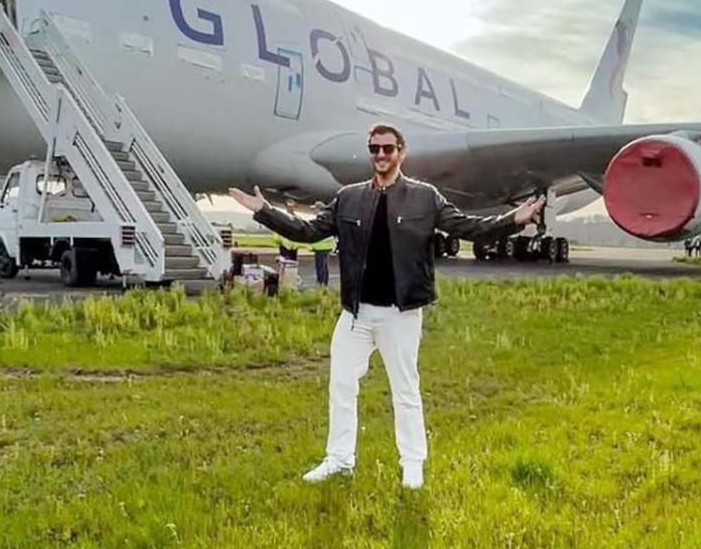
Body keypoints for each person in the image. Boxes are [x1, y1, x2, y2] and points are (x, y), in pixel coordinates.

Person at [229, 123, 544, 490]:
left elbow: (470, 229)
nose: (381, 155)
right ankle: (339, 460)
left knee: (405, 390)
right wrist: (263, 211)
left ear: (401, 152)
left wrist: (513, 221)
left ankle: (412, 464)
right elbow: (308, 232)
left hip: (400, 313)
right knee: (341, 385)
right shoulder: (348, 197)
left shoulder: (426, 198)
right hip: (355, 314)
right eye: (375, 149)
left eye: (388, 149)